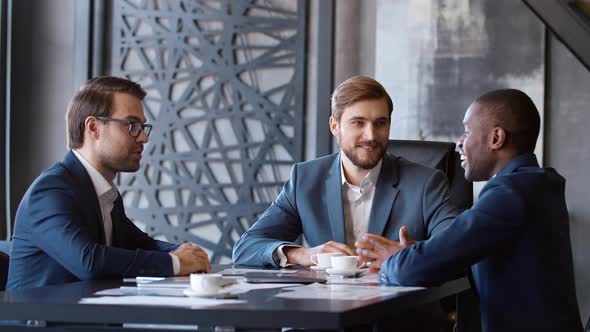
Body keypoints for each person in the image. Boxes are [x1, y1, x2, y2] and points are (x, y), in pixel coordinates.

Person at [356, 89, 583, 332]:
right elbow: (462, 250)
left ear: (496, 138)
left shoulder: (509, 194)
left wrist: (397, 261)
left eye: (467, 131)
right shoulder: (537, 185)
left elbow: (408, 271)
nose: (460, 142)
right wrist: (416, 254)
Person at [232, 76, 459, 267]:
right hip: (326, 312)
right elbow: (246, 248)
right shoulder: (305, 179)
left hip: (397, 314)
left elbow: (457, 249)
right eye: (358, 123)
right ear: (334, 126)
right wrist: (303, 254)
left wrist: (407, 256)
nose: (371, 136)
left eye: (380, 123)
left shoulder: (426, 183)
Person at [7, 76, 210, 289]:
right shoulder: (50, 191)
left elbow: (140, 244)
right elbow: (89, 261)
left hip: (89, 318)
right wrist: (176, 262)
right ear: (93, 127)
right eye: (132, 125)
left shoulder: (104, 193)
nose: (143, 138)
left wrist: (185, 252)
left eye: (142, 127)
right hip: (45, 320)